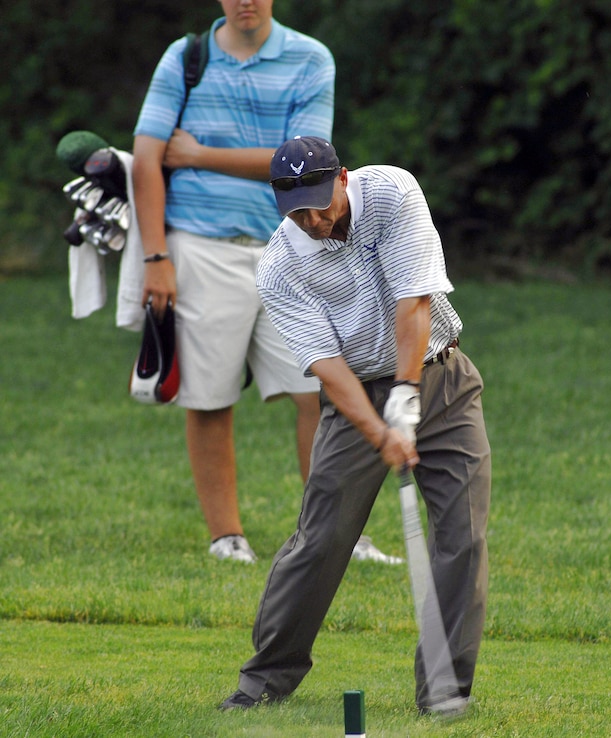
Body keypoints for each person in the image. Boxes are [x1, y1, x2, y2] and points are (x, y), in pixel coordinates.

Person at [220, 136, 492, 715]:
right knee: (322, 540)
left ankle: (444, 690)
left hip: (439, 375)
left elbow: (413, 303)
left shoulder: (393, 192)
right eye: (297, 211)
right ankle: (265, 678)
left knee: (462, 538)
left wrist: (407, 397)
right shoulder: (279, 266)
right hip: (354, 398)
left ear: (342, 177)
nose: (314, 220)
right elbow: (325, 365)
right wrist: (379, 429)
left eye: (321, 202)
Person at [131, 1, 399, 566]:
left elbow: (302, 167)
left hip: (294, 245)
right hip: (200, 244)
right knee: (209, 396)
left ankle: (338, 535)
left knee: (319, 393)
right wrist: (156, 256)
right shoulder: (186, 58)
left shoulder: (309, 58)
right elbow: (147, 160)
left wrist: (199, 154)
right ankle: (226, 538)